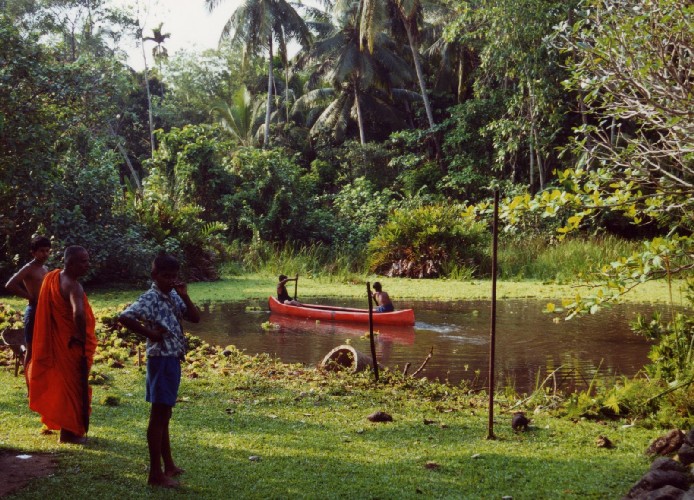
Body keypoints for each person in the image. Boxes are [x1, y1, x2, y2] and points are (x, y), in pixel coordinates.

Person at [118, 253, 200, 488]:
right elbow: (125, 317)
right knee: (159, 415)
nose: (170, 280)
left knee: (166, 414)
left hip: (173, 358)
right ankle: (155, 474)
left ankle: (169, 465)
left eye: (174, 277)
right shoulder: (151, 297)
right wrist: (151, 334)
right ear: (154, 275)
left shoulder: (173, 294)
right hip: (160, 359)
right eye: (165, 276)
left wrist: (185, 295)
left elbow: (195, 318)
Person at [28, 245, 96, 444]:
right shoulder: (74, 286)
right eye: (83, 261)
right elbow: (79, 313)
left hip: (60, 342)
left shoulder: (53, 277)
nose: (87, 265)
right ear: (71, 263)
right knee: (73, 387)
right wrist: (80, 335)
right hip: (70, 345)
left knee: (64, 385)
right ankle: (68, 434)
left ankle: (70, 430)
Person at [4, 235, 52, 383]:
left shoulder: (45, 268)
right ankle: (30, 387)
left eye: (47, 251)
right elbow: (10, 284)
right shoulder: (28, 268)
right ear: (33, 252)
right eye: (42, 251)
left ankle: (42, 382)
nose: (45, 254)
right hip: (33, 310)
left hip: (46, 311)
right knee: (30, 350)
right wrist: (29, 297)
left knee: (45, 349)